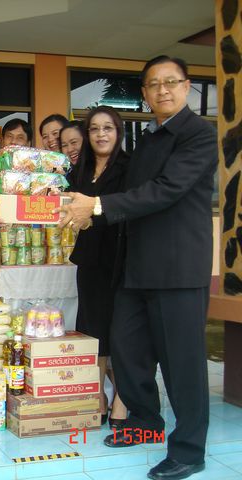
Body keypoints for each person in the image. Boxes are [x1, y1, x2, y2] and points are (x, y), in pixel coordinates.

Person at [57, 56, 217, 480]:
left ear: (186, 87)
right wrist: (74, 208)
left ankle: (189, 450)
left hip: (177, 269)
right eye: (154, 84)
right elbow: (124, 194)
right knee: (127, 350)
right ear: (144, 93)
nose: (163, 90)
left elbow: (166, 190)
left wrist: (97, 205)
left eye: (171, 82)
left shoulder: (199, 134)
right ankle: (146, 423)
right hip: (135, 267)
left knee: (182, 364)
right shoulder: (147, 139)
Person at [66, 106, 128, 429]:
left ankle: (122, 399)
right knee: (93, 328)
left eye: (108, 128)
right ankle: (98, 395)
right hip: (89, 258)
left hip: (119, 258)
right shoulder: (82, 168)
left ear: (118, 132)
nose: (101, 134)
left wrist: (94, 217)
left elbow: (130, 209)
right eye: (94, 129)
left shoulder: (128, 166)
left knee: (121, 331)